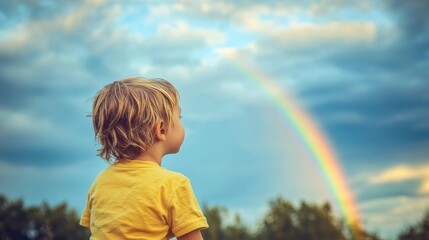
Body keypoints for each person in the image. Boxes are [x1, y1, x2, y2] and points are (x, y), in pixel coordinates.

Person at [80, 77, 208, 240]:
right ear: (161, 129)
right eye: (179, 118)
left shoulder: (100, 182)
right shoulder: (174, 185)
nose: (181, 124)